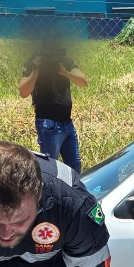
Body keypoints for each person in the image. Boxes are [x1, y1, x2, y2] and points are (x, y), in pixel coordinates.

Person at [18, 29, 87, 175]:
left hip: (67, 122)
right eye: (50, 46)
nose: (52, 50)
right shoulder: (33, 62)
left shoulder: (64, 60)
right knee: (50, 171)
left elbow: (83, 81)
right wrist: (36, 70)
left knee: (75, 169)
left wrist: (65, 72)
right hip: (48, 123)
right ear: (43, 45)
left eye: (56, 45)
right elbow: (23, 92)